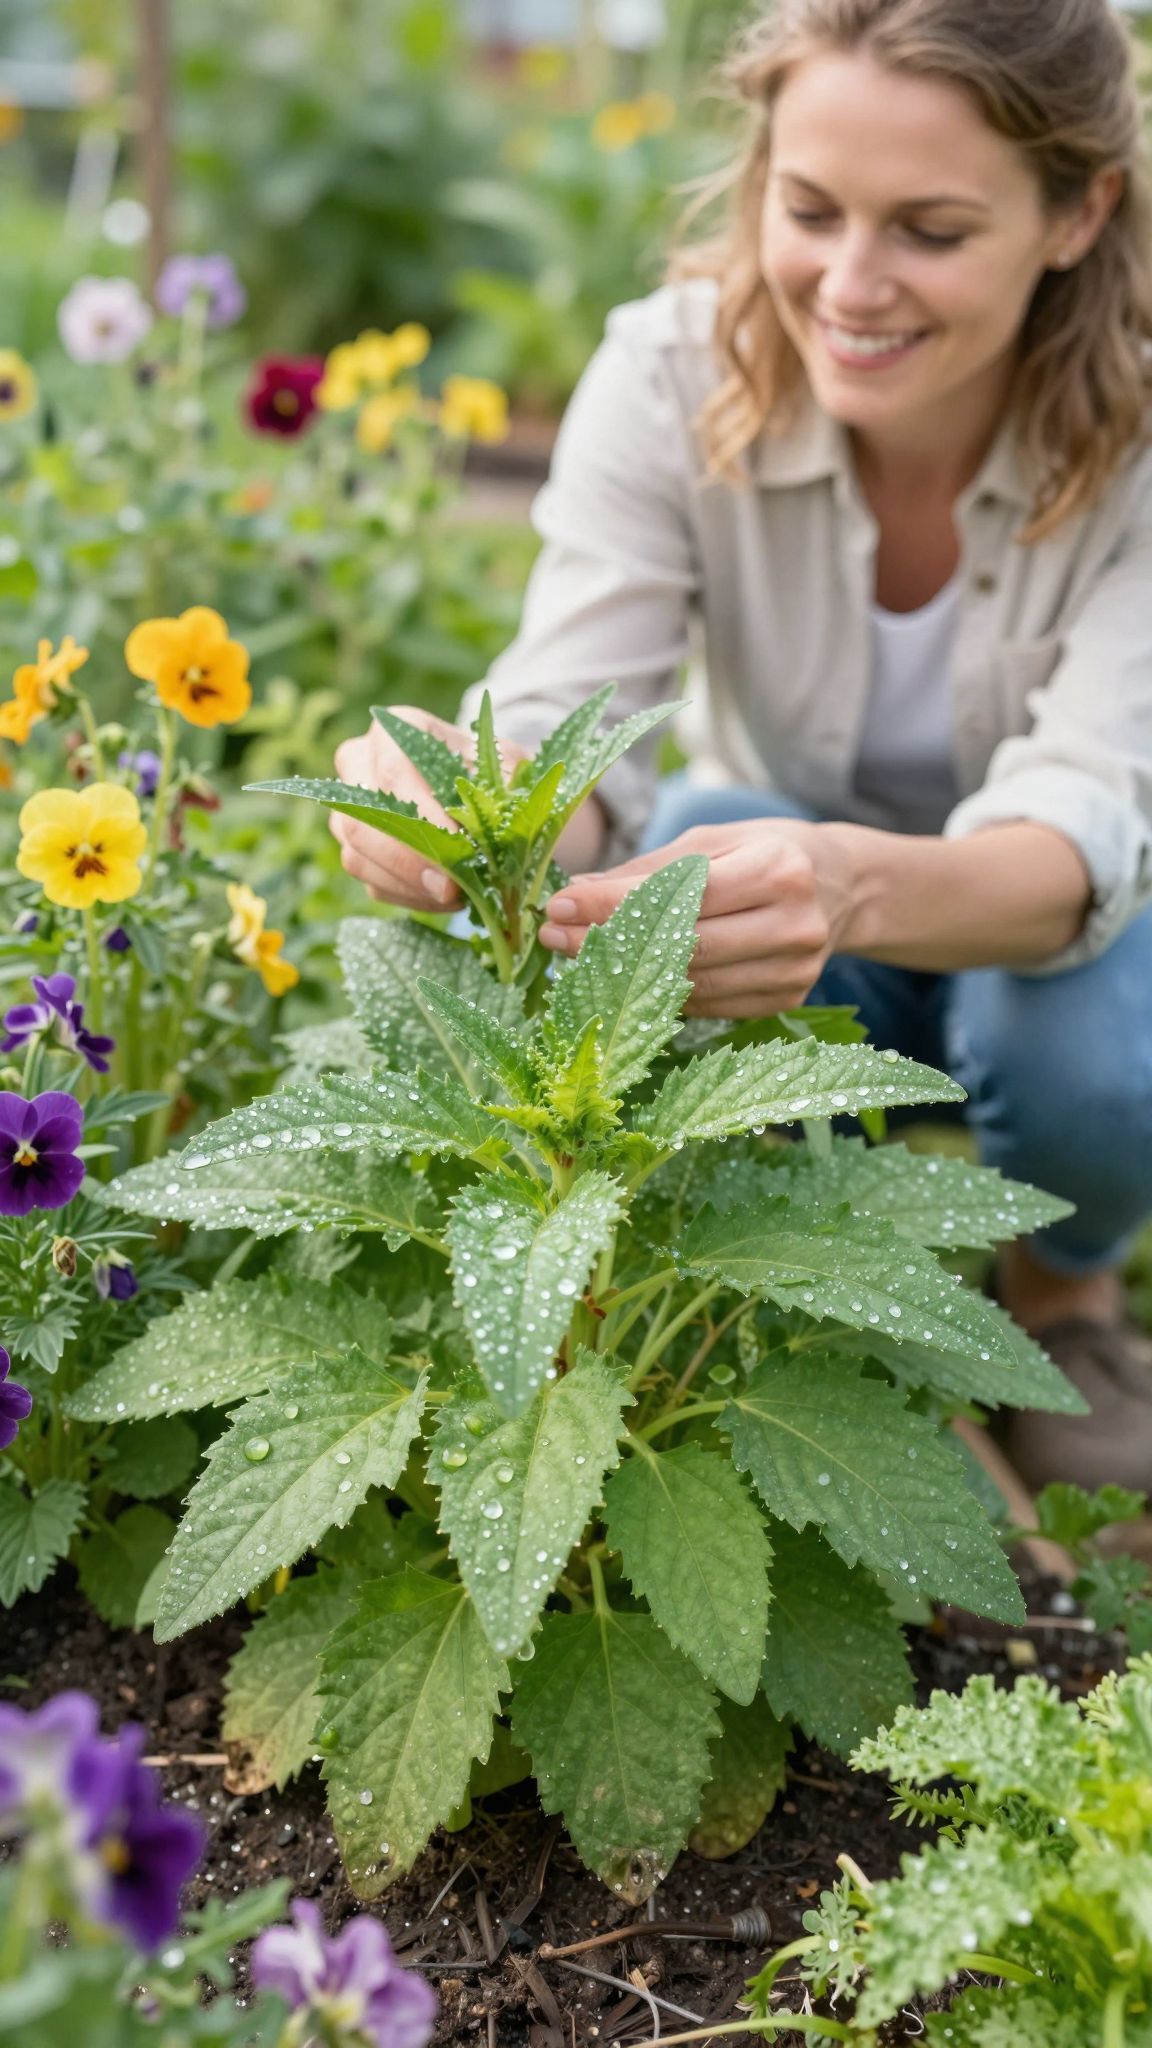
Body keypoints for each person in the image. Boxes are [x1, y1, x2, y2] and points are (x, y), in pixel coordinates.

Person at [330, 0, 1152, 1493]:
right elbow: (575, 728)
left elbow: (1085, 832)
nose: (849, 284)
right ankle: (799, 1304)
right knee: (694, 855)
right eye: (810, 208)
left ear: (1077, 210)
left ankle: (1063, 1293)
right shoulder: (665, 373)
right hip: (791, 918)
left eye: (931, 229)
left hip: (1049, 943)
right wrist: (464, 803)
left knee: (1089, 1043)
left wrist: (843, 881)